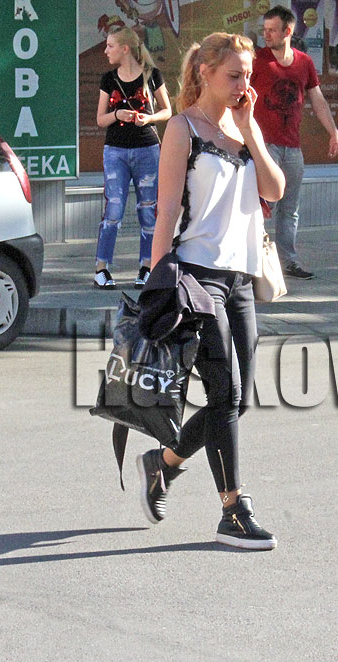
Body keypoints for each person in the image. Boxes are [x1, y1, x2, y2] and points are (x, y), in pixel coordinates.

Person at [138, 32, 285, 550]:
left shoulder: (243, 127)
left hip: (240, 277)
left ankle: (163, 463)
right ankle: (233, 510)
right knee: (224, 395)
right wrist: (157, 283)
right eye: (234, 74)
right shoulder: (183, 129)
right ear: (205, 72)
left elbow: (274, 190)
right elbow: (166, 211)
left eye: (249, 75)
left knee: (237, 401)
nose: (244, 83)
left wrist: (250, 129)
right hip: (196, 278)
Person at [251, 5, 338, 280]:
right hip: (264, 146)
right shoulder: (256, 60)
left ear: (287, 31)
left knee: (289, 209)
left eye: (272, 30)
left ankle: (288, 262)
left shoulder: (304, 63)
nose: (266, 35)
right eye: (264, 30)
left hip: (292, 146)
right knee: (262, 206)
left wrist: (333, 132)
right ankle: (253, 264)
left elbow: (318, 100)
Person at [94, 26, 171, 290]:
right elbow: (100, 119)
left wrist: (148, 118)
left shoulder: (152, 75)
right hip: (115, 150)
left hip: (147, 148)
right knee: (113, 209)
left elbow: (167, 111)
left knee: (148, 209)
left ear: (125, 49)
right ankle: (101, 268)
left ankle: (147, 267)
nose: (106, 51)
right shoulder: (108, 79)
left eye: (110, 46)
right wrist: (117, 115)